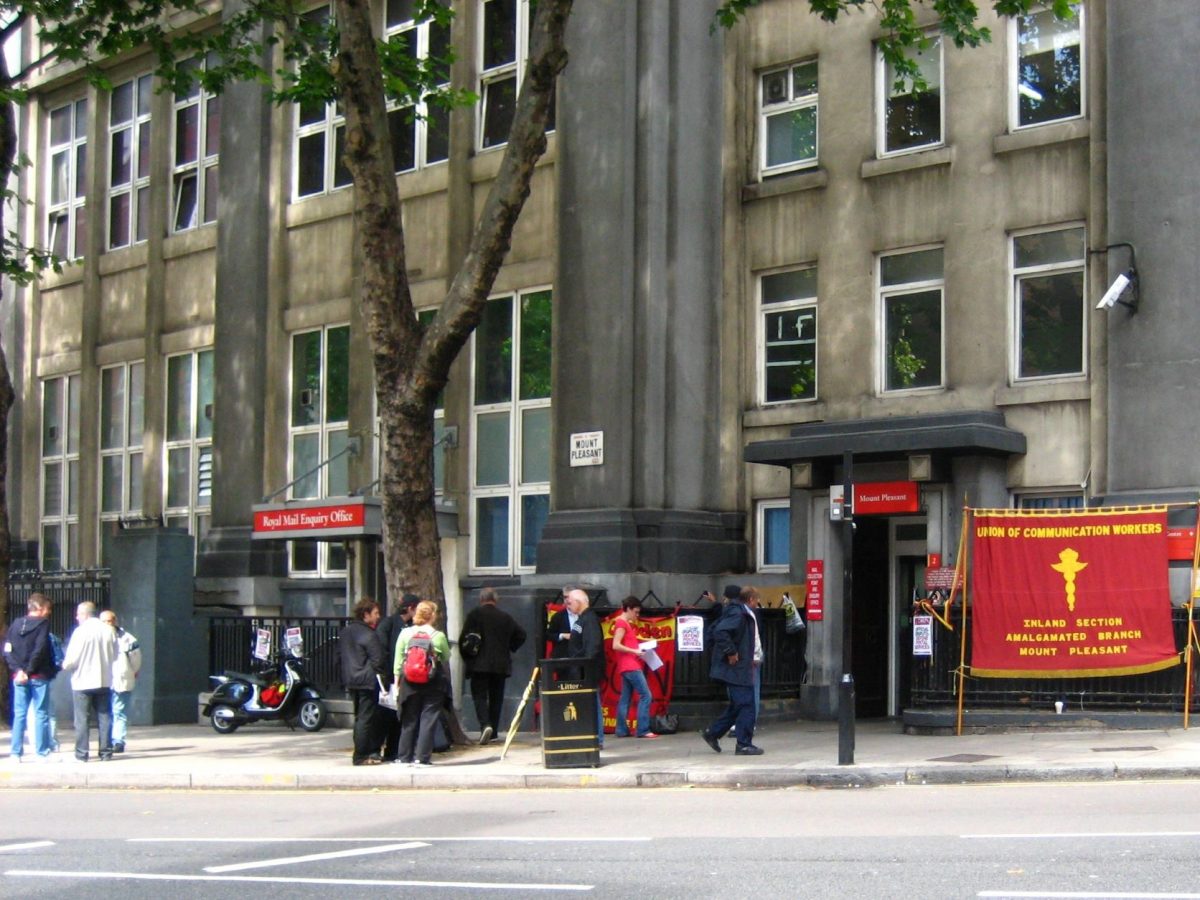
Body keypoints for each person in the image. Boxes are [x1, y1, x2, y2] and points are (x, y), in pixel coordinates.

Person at [701, 585, 764, 756]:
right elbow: (721, 632)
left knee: (739, 704)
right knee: (747, 704)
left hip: (742, 666)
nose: (758, 603)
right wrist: (731, 652)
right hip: (737, 667)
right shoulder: (738, 613)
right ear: (751, 600)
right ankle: (743, 743)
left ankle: (713, 733)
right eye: (756, 599)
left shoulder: (740, 612)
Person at [459, 587, 527, 745]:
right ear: (495, 600)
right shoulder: (505, 617)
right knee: (497, 698)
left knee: (479, 696)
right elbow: (521, 634)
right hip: (500, 665)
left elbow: (464, 640)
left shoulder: (474, 615)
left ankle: (485, 725)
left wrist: (468, 659)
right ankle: (494, 731)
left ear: (481, 599)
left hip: (479, 664)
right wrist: (510, 646)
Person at [394, 600, 451, 767]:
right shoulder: (438, 636)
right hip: (433, 682)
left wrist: (397, 683)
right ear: (432, 615)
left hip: (409, 682)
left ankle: (404, 757)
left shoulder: (405, 634)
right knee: (428, 719)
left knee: (409, 719)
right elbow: (446, 657)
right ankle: (422, 758)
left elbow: (398, 662)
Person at [61, 601, 119, 762]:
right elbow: (115, 655)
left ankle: (82, 753)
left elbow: (72, 658)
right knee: (105, 716)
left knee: (82, 719)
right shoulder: (109, 631)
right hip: (104, 679)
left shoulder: (80, 632)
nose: (76, 617)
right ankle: (106, 752)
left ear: (85, 614)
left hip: (82, 681)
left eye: (78, 614)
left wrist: (65, 665)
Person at [3, 593, 56, 762]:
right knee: (41, 713)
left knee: (19, 714)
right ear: (40, 608)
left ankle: (15, 752)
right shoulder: (42, 624)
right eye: (46, 609)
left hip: (18, 676)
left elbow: (7, 650)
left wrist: (18, 670)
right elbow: (39, 650)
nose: (48, 613)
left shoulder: (15, 624)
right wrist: (29, 670)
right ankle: (41, 751)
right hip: (38, 674)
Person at [340, 597, 386, 766]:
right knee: (366, 719)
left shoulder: (346, 632)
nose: (378, 616)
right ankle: (361, 755)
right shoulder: (369, 634)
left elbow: (340, 656)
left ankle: (362, 751)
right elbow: (378, 660)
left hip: (351, 679)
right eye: (375, 613)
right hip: (367, 680)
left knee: (359, 717)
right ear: (365, 614)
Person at [375, 594, 420, 762]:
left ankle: (394, 750)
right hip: (390, 677)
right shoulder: (389, 624)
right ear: (410, 608)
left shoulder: (411, 626)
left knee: (399, 717)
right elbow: (382, 649)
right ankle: (380, 748)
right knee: (386, 715)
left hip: (406, 676)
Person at [611, 596, 658, 739]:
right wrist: (635, 651)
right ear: (629, 609)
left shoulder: (622, 623)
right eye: (636, 612)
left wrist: (638, 647)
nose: (637, 615)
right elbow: (616, 645)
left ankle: (621, 729)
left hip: (626, 665)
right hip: (631, 665)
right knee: (646, 695)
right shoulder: (622, 623)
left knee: (625, 698)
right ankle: (643, 729)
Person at [564, 588, 605, 748]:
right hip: (579, 669)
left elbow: (593, 646)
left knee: (593, 704)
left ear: (579, 602)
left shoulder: (590, 619)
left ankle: (597, 739)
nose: (568, 605)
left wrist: (584, 666)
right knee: (587, 705)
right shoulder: (581, 619)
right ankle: (590, 736)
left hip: (587, 671)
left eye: (570, 602)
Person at [99, 610, 142, 754]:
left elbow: (136, 660)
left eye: (109, 621)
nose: (106, 624)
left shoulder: (128, 639)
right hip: (102, 680)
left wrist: (131, 672)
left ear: (115, 621)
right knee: (106, 712)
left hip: (121, 680)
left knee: (119, 711)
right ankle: (107, 741)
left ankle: (118, 741)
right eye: (103, 621)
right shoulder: (97, 638)